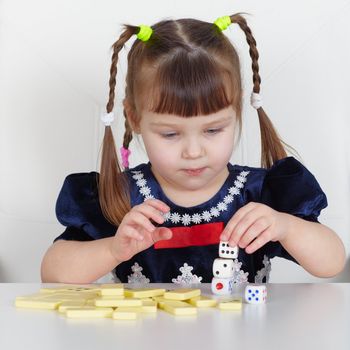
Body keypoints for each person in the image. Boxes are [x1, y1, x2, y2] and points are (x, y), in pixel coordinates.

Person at [41, 13, 346, 284]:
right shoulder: (119, 198)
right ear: (134, 118)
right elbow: (53, 273)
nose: (193, 151)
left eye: (213, 130)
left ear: (236, 111)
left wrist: (285, 227)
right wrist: (111, 249)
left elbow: (332, 262)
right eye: (171, 134)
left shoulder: (260, 194)